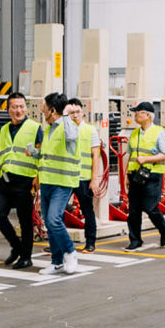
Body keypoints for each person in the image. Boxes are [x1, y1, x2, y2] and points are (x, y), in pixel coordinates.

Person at [0, 91, 43, 269]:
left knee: (25, 221)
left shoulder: (35, 128)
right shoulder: (4, 129)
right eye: (14, 107)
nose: (18, 110)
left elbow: (42, 154)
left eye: (21, 106)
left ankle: (26, 257)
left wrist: (38, 178)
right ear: (8, 109)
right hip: (6, 181)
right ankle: (16, 246)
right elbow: (2, 155)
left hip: (26, 181)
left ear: (26, 108)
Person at [37, 91, 81, 275]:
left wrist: (66, 115)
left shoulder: (67, 126)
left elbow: (71, 137)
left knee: (54, 219)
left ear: (52, 110)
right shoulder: (49, 128)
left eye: (44, 108)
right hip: (47, 181)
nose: (42, 111)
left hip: (62, 182)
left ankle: (70, 252)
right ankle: (56, 262)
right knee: (49, 222)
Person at [125, 101, 165, 250]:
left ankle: (164, 228)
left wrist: (147, 159)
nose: (135, 115)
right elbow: (131, 155)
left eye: (138, 112)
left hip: (152, 175)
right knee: (134, 209)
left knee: (150, 207)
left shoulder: (159, 132)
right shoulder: (134, 133)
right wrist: (127, 174)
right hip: (135, 175)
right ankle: (135, 240)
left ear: (147, 115)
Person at [65, 98, 101, 252]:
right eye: (71, 112)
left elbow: (96, 156)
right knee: (58, 212)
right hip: (66, 177)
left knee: (87, 211)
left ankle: (90, 242)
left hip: (83, 178)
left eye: (78, 112)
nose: (75, 115)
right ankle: (59, 243)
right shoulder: (64, 129)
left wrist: (94, 180)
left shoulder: (90, 130)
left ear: (82, 112)